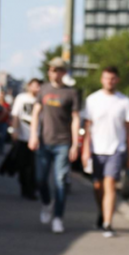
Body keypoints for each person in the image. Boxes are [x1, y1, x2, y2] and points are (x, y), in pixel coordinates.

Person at [28, 57, 80, 234]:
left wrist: (74, 144)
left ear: (64, 72)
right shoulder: (43, 90)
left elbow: (75, 119)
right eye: (51, 70)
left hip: (63, 143)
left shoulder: (71, 92)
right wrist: (33, 136)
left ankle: (58, 217)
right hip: (44, 142)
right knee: (40, 179)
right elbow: (35, 114)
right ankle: (46, 203)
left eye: (58, 70)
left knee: (60, 182)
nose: (54, 73)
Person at [81, 67, 129, 238]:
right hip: (96, 149)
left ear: (117, 80)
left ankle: (107, 224)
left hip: (116, 149)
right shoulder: (92, 100)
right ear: (102, 79)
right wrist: (85, 150)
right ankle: (102, 213)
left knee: (109, 184)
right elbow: (87, 128)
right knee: (97, 186)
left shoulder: (124, 101)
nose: (109, 81)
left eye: (112, 78)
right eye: (106, 78)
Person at [9, 78, 42, 200]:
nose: (36, 89)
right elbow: (16, 115)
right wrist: (15, 130)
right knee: (24, 164)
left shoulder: (41, 98)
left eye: (38, 86)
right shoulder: (21, 98)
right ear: (29, 86)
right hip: (23, 136)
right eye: (34, 86)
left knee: (34, 166)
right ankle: (24, 186)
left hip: (37, 137)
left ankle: (32, 189)